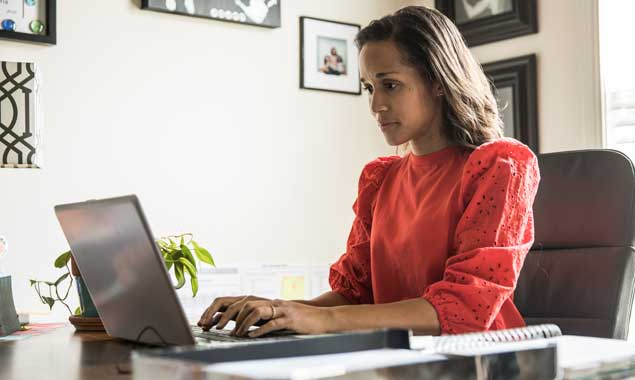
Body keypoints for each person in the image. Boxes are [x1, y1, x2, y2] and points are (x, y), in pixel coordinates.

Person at [198, 5, 540, 338]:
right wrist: (278, 310)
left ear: (438, 81)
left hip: (481, 363)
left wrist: (321, 319)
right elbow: (354, 296)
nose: (376, 105)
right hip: (396, 360)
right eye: (369, 88)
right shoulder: (380, 179)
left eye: (390, 85)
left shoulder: (500, 166)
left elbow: (465, 307)